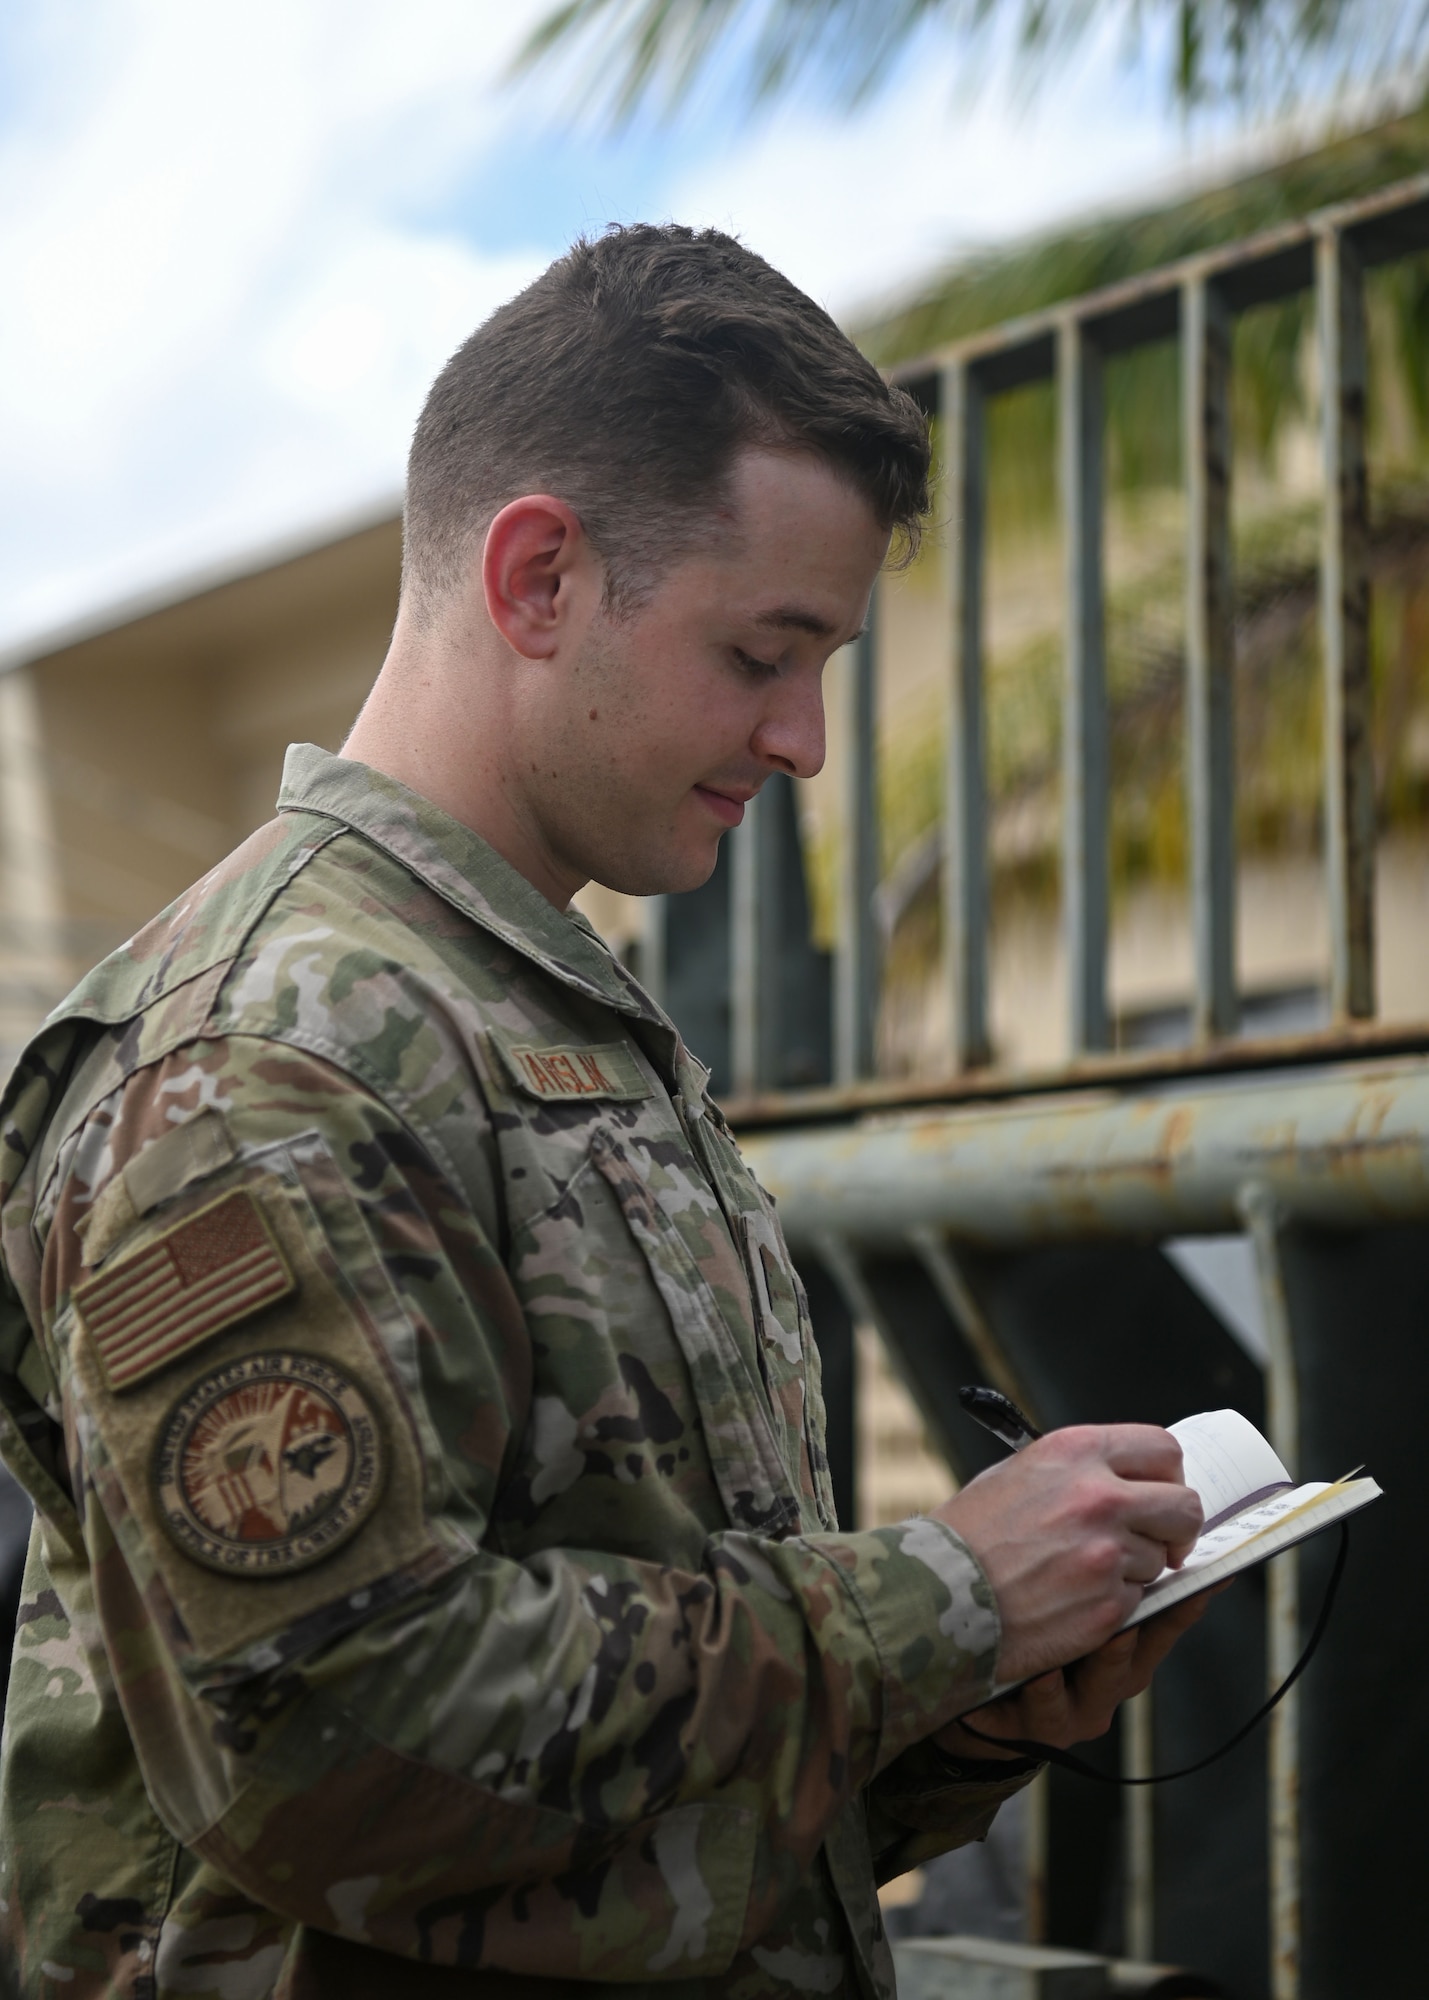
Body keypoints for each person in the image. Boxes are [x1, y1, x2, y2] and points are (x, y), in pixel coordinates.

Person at [0, 224, 1206, 2000]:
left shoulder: (538, 1009)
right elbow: (338, 1745)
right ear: (540, 575)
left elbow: (625, 1789)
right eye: (760, 652)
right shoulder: (272, 1051)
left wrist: (969, 1699)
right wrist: (936, 1598)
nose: (801, 738)